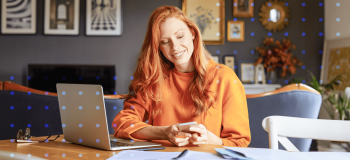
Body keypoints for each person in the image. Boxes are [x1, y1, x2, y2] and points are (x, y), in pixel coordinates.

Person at [112, 6, 250, 147]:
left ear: (192, 33)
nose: (175, 46)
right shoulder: (156, 79)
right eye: (165, 42)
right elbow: (122, 123)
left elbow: (240, 142)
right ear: (158, 47)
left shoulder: (225, 78)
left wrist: (211, 140)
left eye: (179, 36)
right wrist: (165, 132)